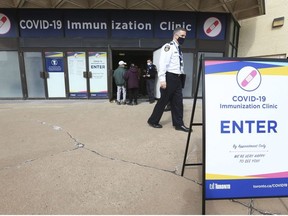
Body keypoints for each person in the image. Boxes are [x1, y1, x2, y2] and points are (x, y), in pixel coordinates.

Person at [147, 27, 190, 132]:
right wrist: (162, 80)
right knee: (163, 101)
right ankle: (153, 120)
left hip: (177, 79)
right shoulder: (168, 47)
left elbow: (179, 65)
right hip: (169, 77)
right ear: (175, 35)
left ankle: (179, 124)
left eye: (185, 36)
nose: (184, 38)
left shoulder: (178, 49)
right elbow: (163, 64)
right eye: (182, 36)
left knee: (178, 102)